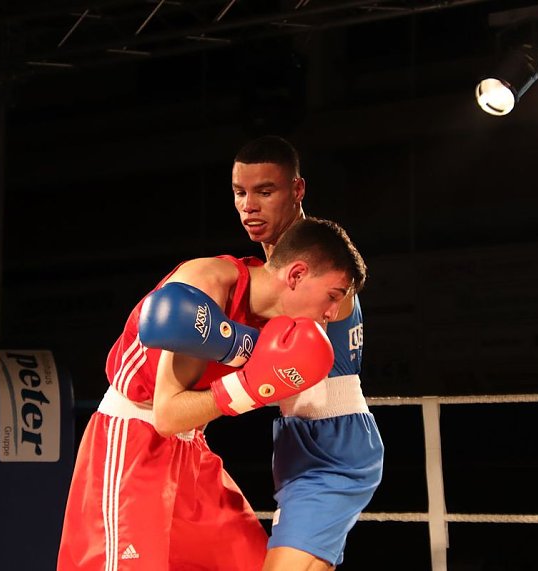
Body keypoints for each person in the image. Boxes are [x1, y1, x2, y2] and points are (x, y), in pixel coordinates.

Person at [57, 216, 368, 570]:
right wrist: (250, 386)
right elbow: (166, 416)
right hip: (133, 444)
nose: (331, 313)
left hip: (192, 453)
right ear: (296, 275)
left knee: (252, 562)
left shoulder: (278, 324)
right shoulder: (205, 289)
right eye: (333, 296)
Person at [231, 135, 385, 570]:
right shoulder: (267, 273)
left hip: (335, 443)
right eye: (241, 193)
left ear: (297, 190)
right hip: (296, 444)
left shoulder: (322, 263)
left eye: (265, 191)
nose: (250, 207)